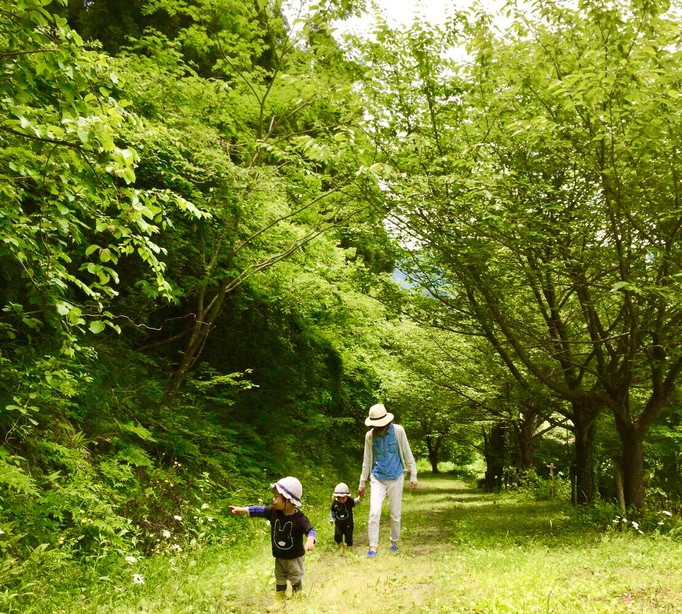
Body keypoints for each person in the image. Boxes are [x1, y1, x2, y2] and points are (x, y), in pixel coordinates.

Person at [230, 476, 316, 611]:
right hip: (280, 556)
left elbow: (310, 530)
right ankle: (280, 601)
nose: (273, 500)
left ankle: (298, 599)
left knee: (294, 578)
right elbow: (259, 510)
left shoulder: (300, 518)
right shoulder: (273, 512)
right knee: (280, 577)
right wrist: (243, 509)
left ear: (288, 499)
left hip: (294, 557)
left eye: (277, 497)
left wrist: (310, 540)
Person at [358, 403, 417, 557]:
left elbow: (407, 452)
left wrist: (413, 474)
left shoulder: (398, 431)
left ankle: (394, 542)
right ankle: (373, 546)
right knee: (374, 512)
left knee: (395, 513)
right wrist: (362, 482)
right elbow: (366, 460)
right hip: (377, 477)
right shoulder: (370, 436)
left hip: (396, 476)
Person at [329, 482, 362, 552]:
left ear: (347, 496)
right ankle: (341, 546)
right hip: (338, 524)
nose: (341, 499)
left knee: (349, 537)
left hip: (348, 524)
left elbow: (358, 500)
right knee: (337, 535)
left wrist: (361, 495)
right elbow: (332, 512)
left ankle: (349, 547)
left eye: (343, 498)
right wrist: (331, 519)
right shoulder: (335, 503)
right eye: (338, 497)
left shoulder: (350, 501)